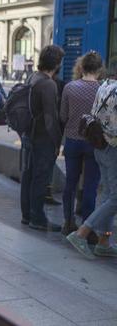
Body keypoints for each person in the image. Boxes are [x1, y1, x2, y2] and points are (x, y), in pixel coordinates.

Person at [66, 67, 117, 258]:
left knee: (107, 195)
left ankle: (104, 241)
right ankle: (82, 233)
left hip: (99, 145)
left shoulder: (105, 85)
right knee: (115, 198)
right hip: (113, 147)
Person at [19, 45, 65, 232]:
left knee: (28, 175)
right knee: (40, 177)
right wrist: (57, 142)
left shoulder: (32, 77)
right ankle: (37, 217)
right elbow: (50, 117)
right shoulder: (48, 84)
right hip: (42, 138)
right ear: (57, 63)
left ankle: (27, 215)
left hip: (28, 135)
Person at [59, 51, 103, 235]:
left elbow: (63, 116)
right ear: (99, 69)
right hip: (94, 143)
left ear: (81, 67)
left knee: (71, 183)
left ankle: (68, 222)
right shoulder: (103, 89)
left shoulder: (69, 87)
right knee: (90, 186)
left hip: (72, 141)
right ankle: (87, 228)